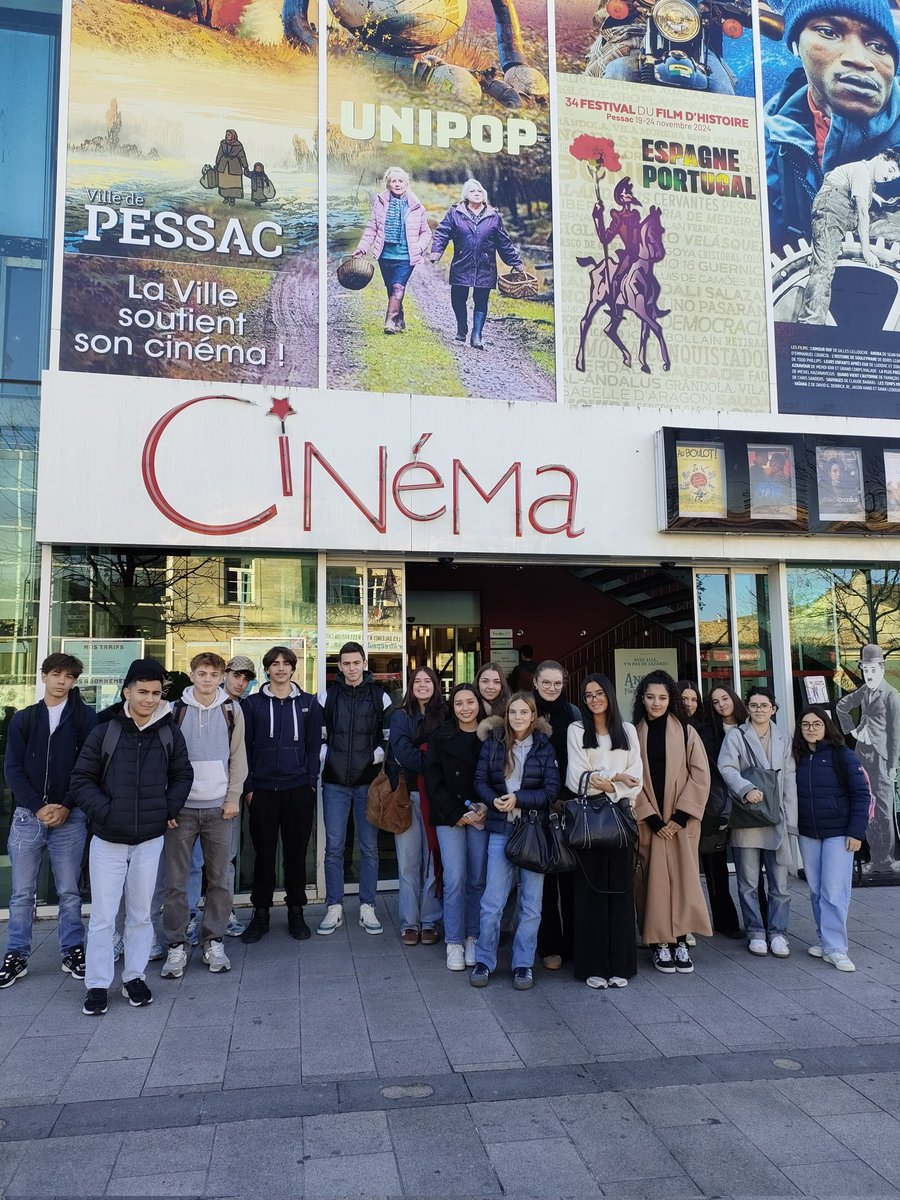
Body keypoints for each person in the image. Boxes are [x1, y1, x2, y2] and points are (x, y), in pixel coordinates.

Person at [69, 658, 193, 1016]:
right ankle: (96, 983)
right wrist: (105, 813)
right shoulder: (105, 730)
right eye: (143, 691)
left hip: (150, 839)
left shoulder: (169, 731)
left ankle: (134, 977)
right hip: (108, 838)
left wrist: (166, 810)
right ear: (127, 691)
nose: (150, 699)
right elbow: (81, 780)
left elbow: (183, 774)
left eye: (156, 693)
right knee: (105, 917)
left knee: (141, 914)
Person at [764, 0, 900, 249]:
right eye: (829, 32)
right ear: (796, 44)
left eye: (879, 46)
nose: (860, 59)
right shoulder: (760, 146)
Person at [1, 653, 97, 989]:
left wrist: (67, 805)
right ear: (43, 676)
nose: (62, 681)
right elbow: (12, 768)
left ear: (74, 682)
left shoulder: (86, 718)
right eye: (56, 674)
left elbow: (89, 768)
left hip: (70, 818)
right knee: (22, 894)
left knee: (69, 891)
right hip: (28, 817)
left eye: (69, 676)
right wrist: (37, 806)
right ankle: (16, 955)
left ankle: (73, 950)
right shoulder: (24, 719)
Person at [159, 653, 247, 979]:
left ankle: (214, 940)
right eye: (201, 673)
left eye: (213, 674)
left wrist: (233, 797)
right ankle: (177, 946)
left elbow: (238, 757)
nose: (207, 679)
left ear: (221, 676)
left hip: (219, 808)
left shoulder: (232, 710)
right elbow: (163, 759)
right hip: (181, 809)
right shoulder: (174, 710)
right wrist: (168, 804)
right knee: (177, 882)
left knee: (220, 880)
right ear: (192, 674)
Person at [471, 692, 560, 990]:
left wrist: (519, 799)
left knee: (531, 904)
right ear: (506, 714)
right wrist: (493, 800)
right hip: (501, 830)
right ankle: (484, 960)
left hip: (534, 831)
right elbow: (480, 780)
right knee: (492, 902)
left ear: (533, 716)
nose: (518, 717)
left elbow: (551, 790)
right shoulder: (494, 742)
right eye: (513, 712)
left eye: (524, 712)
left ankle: (523, 964)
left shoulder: (544, 746)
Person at [240, 646, 322, 944]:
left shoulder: (309, 704)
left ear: (293, 668)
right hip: (262, 791)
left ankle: (296, 911)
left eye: (286, 663)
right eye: (274, 664)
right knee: (263, 856)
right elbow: (243, 749)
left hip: (298, 790)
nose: (280, 668)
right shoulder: (252, 704)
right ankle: (260, 914)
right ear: (267, 669)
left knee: (296, 855)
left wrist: (310, 780)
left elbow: (314, 746)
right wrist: (248, 788)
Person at [632, 671, 712, 974]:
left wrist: (679, 817)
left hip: (681, 823)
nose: (656, 703)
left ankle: (680, 939)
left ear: (671, 700)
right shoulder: (633, 733)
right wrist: (650, 816)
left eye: (662, 697)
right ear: (642, 698)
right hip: (649, 822)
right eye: (650, 697)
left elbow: (700, 775)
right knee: (651, 884)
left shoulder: (687, 732)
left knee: (682, 880)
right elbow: (631, 777)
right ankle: (658, 943)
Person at [566, 673, 643, 989]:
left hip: (622, 819)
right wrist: (616, 779)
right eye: (588, 695)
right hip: (589, 822)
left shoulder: (627, 731)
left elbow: (636, 777)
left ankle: (620, 966)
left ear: (610, 695)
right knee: (590, 894)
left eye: (599, 693)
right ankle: (593, 965)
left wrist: (605, 781)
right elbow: (576, 777)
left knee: (620, 892)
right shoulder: (576, 729)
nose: (594, 699)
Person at [318, 642, 393, 935]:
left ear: (364, 663)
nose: (351, 668)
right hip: (335, 782)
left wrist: (378, 754)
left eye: (356, 662)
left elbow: (389, 736)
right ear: (340, 666)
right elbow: (319, 733)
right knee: (334, 848)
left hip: (368, 783)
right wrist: (324, 754)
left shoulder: (380, 696)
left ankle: (367, 907)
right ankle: (334, 907)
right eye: (346, 663)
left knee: (369, 848)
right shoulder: (328, 695)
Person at [718, 685, 798, 958]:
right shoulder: (737, 736)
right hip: (747, 816)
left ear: (773, 709)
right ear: (747, 708)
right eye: (753, 705)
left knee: (780, 884)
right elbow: (726, 768)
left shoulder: (783, 737)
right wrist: (745, 788)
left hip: (775, 816)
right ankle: (755, 931)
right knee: (748, 883)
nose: (759, 710)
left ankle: (778, 932)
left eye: (764, 706)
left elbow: (789, 779)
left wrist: (791, 820)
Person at [793, 705, 870, 971]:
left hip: (839, 833)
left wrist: (856, 832)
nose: (811, 729)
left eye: (816, 724)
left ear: (826, 726)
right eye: (805, 724)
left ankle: (837, 948)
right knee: (816, 890)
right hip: (809, 832)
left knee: (834, 891)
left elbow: (862, 794)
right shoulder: (797, 757)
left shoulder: (842, 755)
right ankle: (825, 939)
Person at [424, 683, 489, 971]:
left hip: (482, 815)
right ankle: (453, 941)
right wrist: (457, 814)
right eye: (459, 703)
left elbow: (497, 774)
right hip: (450, 816)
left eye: (470, 702)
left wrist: (484, 807)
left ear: (478, 704)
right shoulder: (440, 736)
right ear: (453, 706)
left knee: (477, 879)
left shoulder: (490, 737)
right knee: (454, 880)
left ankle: (472, 937)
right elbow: (433, 782)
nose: (465, 708)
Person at [798, 149, 900, 323]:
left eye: (893, 178)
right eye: (890, 170)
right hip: (830, 218)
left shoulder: (863, 176)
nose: (888, 177)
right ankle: (810, 323)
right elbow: (862, 212)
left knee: (891, 225)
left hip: (844, 219)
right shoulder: (862, 171)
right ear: (881, 157)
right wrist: (866, 251)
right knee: (824, 269)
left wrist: (880, 202)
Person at [679, 681, 742, 939]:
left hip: (707, 805)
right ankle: (687, 923)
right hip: (678, 805)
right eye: (685, 699)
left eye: (694, 700)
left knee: (715, 866)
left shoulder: (707, 730)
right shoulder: (667, 727)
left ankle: (724, 920)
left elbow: (713, 768)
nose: (689, 704)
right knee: (685, 867)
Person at [388, 667, 447, 945]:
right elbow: (401, 750)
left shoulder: (445, 714)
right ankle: (410, 921)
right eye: (417, 682)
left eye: (428, 681)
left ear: (435, 685)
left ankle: (430, 921)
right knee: (409, 862)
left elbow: (451, 748)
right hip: (409, 797)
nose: (422, 686)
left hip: (437, 798)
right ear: (410, 686)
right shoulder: (401, 716)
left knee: (433, 859)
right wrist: (434, 765)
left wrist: (432, 764)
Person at [430, 179, 524, 350]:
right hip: (461, 261)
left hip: (485, 265)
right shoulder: (455, 213)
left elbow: (503, 242)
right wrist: (437, 251)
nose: (477, 193)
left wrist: (515, 262)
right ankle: (462, 327)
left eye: (479, 191)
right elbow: (443, 232)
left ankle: (477, 335)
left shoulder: (493, 215)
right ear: (466, 195)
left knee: (481, 299)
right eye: (472, 191)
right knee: (458, 298)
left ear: (484, 195)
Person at [836, 643, 900, 875]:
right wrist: (852, 730)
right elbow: (842, 705)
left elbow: (896, 735)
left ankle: (888, 859)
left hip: (882, 757)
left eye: (873, 669)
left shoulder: (892, 695)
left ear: (881, 668)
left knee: (883, 809)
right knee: (868, 807)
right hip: (862, 754)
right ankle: (876, 858)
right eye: (865, 670)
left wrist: (893, 765)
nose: (869, 674)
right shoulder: (864, 691)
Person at [533, 660, 580, 970]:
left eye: (557, 683)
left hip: (570, 803)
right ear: (535, 682)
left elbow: (579, 757)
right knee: (545, 880)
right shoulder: (525, 710)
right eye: (546, 682)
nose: (552, 688)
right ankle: (550, 945)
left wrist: (566, 797)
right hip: (536, 805)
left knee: (572, 878)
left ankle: (575, 944)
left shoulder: (574, 714)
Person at [353, 166, 432, 335]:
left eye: (400, 181)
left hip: (406, 254)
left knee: (398, 286)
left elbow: (426, 232)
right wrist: (362, 248)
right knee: (391, 288)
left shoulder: (416, 206)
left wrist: (418, 247)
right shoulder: (381, 203)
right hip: (385, 254)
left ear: (406, 183)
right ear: (388, 184)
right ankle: (399, 318)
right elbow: (372, 228)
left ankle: (389, 321)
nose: (397, 184)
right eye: (393, 181)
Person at [215, 128, 249, 206]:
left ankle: (232, 199)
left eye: (229, 135)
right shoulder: (223, 143)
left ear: (233, 135)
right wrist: (217, 163)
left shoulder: (238, 145)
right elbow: (219, 153)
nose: (227, 136)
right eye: (227, 134)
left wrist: (245, 166)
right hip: (224, 166)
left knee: (234, 183)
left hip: (234, 166)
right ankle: (226, 197)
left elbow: (242, 157)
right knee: (224, 182)